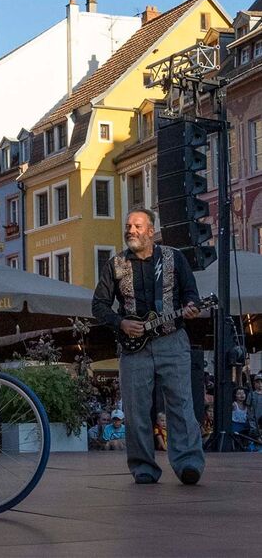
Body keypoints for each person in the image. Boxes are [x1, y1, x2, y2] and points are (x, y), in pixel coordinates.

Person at [92, 207, 204, 485]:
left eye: (137, 226)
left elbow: (192, 295)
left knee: (181, 404)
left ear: (151, 231)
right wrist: (120, 323)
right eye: (128, 225)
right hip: (133, 347)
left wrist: (191, 307)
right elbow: (98, 305)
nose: (130, 230)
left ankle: (188, 462)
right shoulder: (115, 264)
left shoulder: (174, 258)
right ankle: (143, 467)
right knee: (136, 409)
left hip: (172, 340)